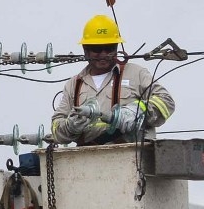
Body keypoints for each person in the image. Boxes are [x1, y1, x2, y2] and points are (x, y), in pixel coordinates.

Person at [51, 14, 174, 145]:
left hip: (132, 156)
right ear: (85, 50)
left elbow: (166, 102)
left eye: (109, 48)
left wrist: (136, 111)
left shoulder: (136, 74)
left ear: (116, 48)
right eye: (97, 49)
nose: (103, 54)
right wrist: (70, 126)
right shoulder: (74, 85)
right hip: (86, 159)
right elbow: (56, 128)